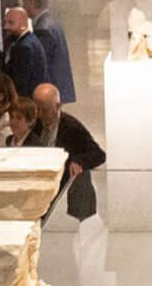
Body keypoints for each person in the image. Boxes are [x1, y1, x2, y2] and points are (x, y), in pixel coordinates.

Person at [27, 84, 106, 220]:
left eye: (44, 110)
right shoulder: (35, 124)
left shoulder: (71, 127)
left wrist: (78, 161)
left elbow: (98, 154)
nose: (39, 115)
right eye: (37, 109)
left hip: (64, 194)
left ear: (57, 106)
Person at [20, 0, 76, 102]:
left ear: (31, 1)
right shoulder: (50, 22)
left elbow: (41, 64)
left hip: (49, 91)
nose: (22, 5)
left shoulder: (43, 28)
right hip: (56, 87)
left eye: (24, 1)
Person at [2, 7, 47, 95]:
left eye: (11, 23)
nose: (6, 26)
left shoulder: (24, 47)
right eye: (5, 22)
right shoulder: (31, 40)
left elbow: (20, 85)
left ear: (23, 24)